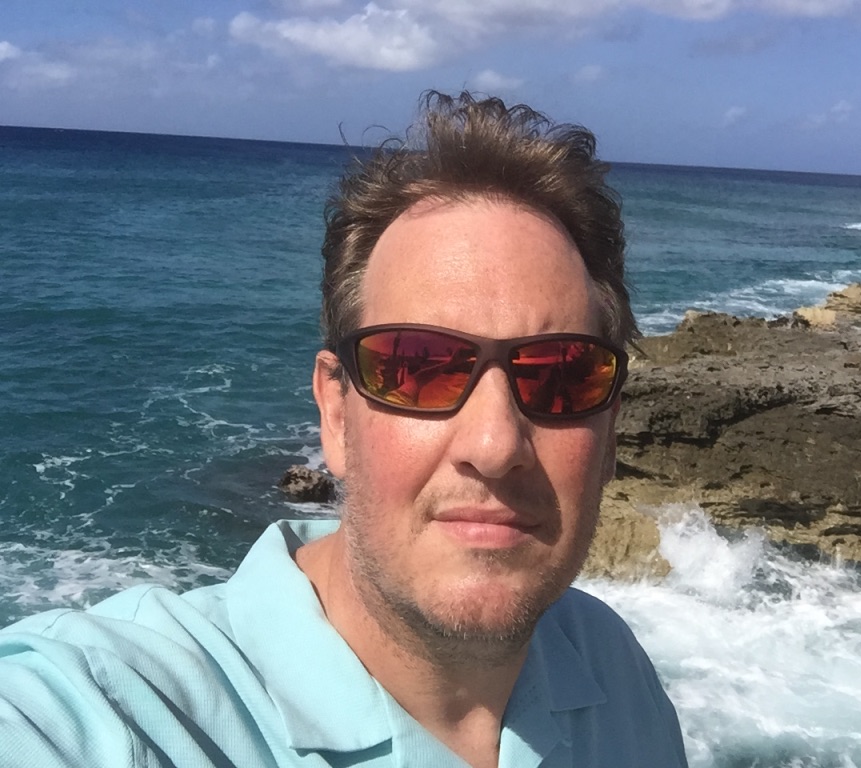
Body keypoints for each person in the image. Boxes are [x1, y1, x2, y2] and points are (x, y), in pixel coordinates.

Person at [0, 91, 688, 767]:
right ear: (336, 411)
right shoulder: (110, 711)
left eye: (562, 374)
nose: (495, 445)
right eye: (417, 366)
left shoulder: (611, 671)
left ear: (610, 428)